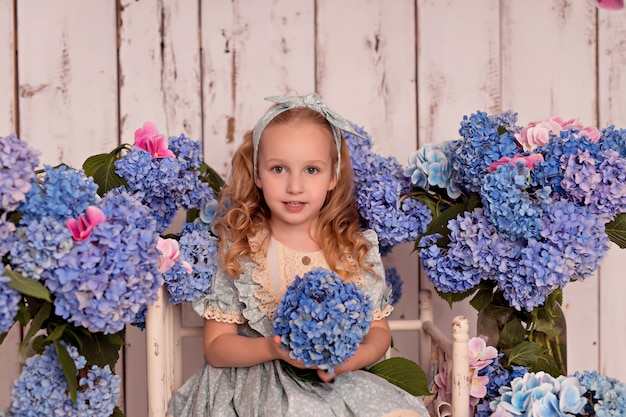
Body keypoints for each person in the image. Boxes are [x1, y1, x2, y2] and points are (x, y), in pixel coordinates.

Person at [167, 93, 429, 417]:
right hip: (257, 385)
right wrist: (273, 349)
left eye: (311, 170)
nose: (294, 186)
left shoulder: (352, 249)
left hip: (334, 382)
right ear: (258, 174)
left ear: (333, 176)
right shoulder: (242, 249)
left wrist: (348, 360)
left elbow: (378, 333)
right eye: (278, 168)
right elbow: (217, 348)